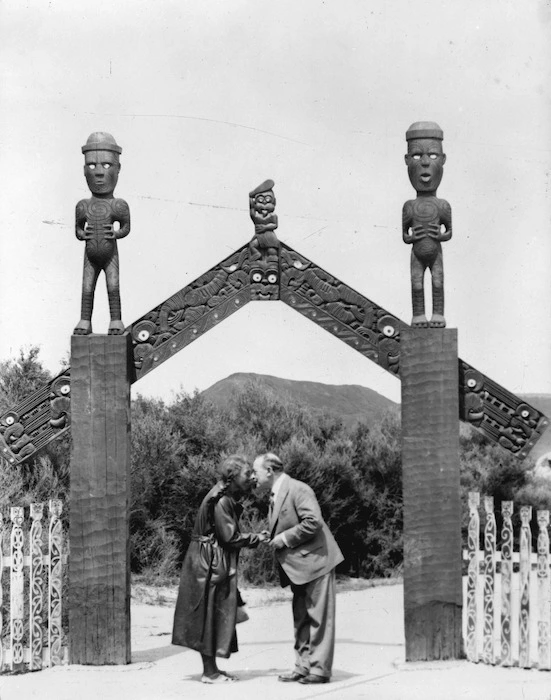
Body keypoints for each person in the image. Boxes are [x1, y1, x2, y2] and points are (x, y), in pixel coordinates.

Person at [172, 454, 267, 684]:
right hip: (209, 561)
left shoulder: (220, 496)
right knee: (209, 615)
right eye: (247, 474)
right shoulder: (222, 500)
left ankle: (212, 669)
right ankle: (209, 672)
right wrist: (257, 538)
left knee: (211, 614)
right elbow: (230, 537)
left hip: (207, 559)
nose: (251, 477)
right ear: (232, 477)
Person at [252, 452, 344, 685]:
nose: (254, 477)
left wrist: (284, 538)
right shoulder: (276, 493)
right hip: (299, 566)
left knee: (319, 618)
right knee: (301, 617)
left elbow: (313, 521)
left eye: (256, 472)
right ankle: (302, 666)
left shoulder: (298, 489)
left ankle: (320, 670)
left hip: (316, 562)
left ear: (270, 471)